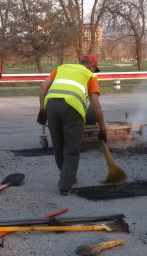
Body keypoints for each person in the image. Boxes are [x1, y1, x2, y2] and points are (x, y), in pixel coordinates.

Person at [38, 55, 107, 195]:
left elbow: (43, 86)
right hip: (72, 108)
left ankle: (67, 177)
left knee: (58, 145)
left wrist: (42, 109)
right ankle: (65, 186)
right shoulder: (90, 75)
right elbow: (95, 105)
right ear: (91, 66)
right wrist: (102, 127)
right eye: (95, 70)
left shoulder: (61, 68)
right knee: (71, 148)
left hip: (51, 105)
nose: (95, 72)